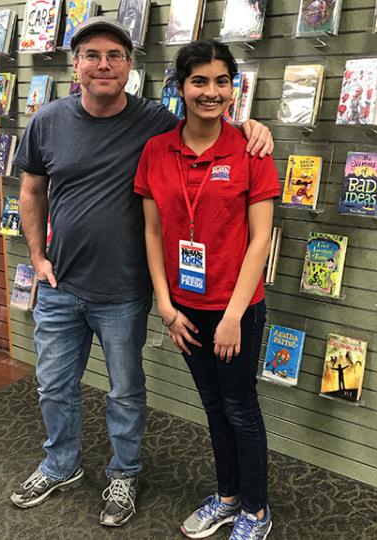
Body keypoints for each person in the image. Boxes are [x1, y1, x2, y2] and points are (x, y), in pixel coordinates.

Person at [9, 17, 274, 528]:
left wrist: (251, 125)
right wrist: (38, 259)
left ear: (130, 66)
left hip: (126, 292)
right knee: (53, 386)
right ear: (76, 64)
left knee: (131, 392)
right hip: (67, 285)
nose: (103, 64)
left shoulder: (154, 123)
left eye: (115, 55)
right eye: (92, 54)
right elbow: (31, 192)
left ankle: (128, 476)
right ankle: (60, 464)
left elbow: (213, 120)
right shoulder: (52, 123)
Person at [134, 40, 279, 539]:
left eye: (222, 81)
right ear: (179, 88)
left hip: (237, 308)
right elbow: (152, 232)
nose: (211, 92)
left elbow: (261, 238)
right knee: (213, 406)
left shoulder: (250, 149)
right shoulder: (156, 151)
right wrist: (165, 304)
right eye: (199, 81)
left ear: (233, 88)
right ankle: (228, 495)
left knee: (240, 405)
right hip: (185, 309)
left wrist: (235, 315)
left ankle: (256, 511)